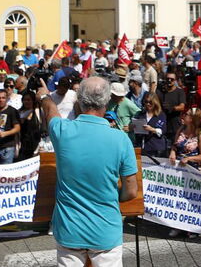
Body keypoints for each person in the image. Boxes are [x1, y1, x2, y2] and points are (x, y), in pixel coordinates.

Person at [36, 76, 137, 267]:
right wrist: (109, 197)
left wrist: (44, 97)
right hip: (106, 229)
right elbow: (131, 191)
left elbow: (51, 111)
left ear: (79, 100)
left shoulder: (62, 131)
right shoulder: (121, 139)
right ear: (107, 101)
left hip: (70, 229)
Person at [0, 89, 21, 164]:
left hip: (7, 147)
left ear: (7, 99)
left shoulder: (12, 111)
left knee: (6, 173)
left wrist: (5, 133)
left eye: (3, 98)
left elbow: (17, 128)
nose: (1, 100)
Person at [160, 71, 187, 143]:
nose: (169, 81)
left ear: (175, 81)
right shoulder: (161, 92)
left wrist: (172, 108)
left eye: (172, 79)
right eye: (167, 79)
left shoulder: (180, 92)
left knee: (174, 144)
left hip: (175, 124)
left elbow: (182, 107)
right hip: (163, 123)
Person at [17, 90, 43, 160]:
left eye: (29, 100)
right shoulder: (18, 112)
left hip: (34, 141)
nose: (26, 102)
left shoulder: (37, 112)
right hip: (22, 141)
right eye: (25, 100)